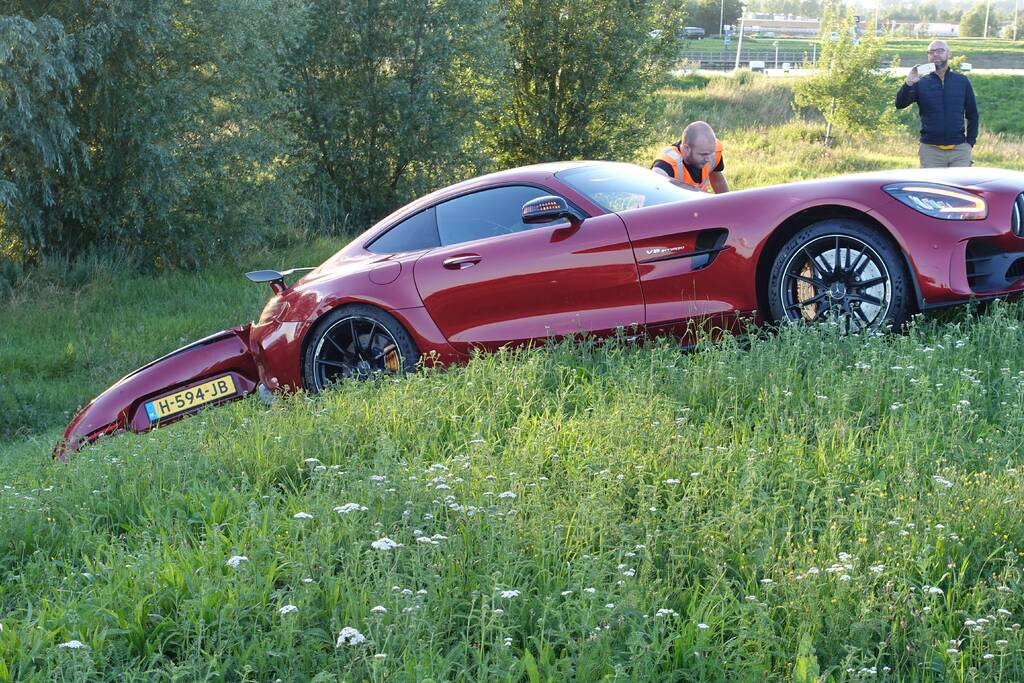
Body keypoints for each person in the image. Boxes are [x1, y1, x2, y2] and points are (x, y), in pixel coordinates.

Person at [895, 40, 979, 168]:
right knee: (931, 182)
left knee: (960, 182)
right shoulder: (920, 82)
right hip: (930, 151)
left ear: (948, 53)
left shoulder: (962, 81)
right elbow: (900, 104)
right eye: (931, 52)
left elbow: (972, 114)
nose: (935, 54)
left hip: (959, 150)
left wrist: (970, 143)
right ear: (928, 56)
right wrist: (908, 83)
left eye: (940, 51)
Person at [652, 121, 730, 193]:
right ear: (686, 148)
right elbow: (654, 192)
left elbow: (718, 181)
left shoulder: (712, 150)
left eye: (711, 153)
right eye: (703, 154)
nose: (709, 159)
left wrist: (727, 202)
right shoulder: (665, 166)